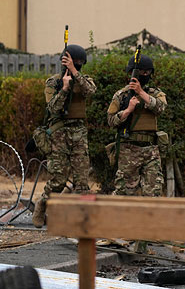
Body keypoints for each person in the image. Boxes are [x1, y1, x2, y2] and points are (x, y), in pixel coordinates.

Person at [32, 45, 96, 228]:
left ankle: (80, 220)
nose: (78, 64)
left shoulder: (84, 80)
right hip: (59, 134)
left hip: (79, 133)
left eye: (80, 63)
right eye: (75, 62)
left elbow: (91, 92)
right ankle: (42, 204)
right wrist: (65, 89)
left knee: (82, 182)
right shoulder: (53, 82)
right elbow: (52, 108)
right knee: (58, 180)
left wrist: (75, 73)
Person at [107, 53, 167, 197]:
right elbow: (110, 120)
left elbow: (160, 108)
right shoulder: (121, 95)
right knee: (124, 192)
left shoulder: (155, 93)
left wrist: (141, 92)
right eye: (141, 72)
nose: (144, 75)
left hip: (150, 149)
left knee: (154, 192)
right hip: (128, 149)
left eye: (147, 72)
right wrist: (127, 111)